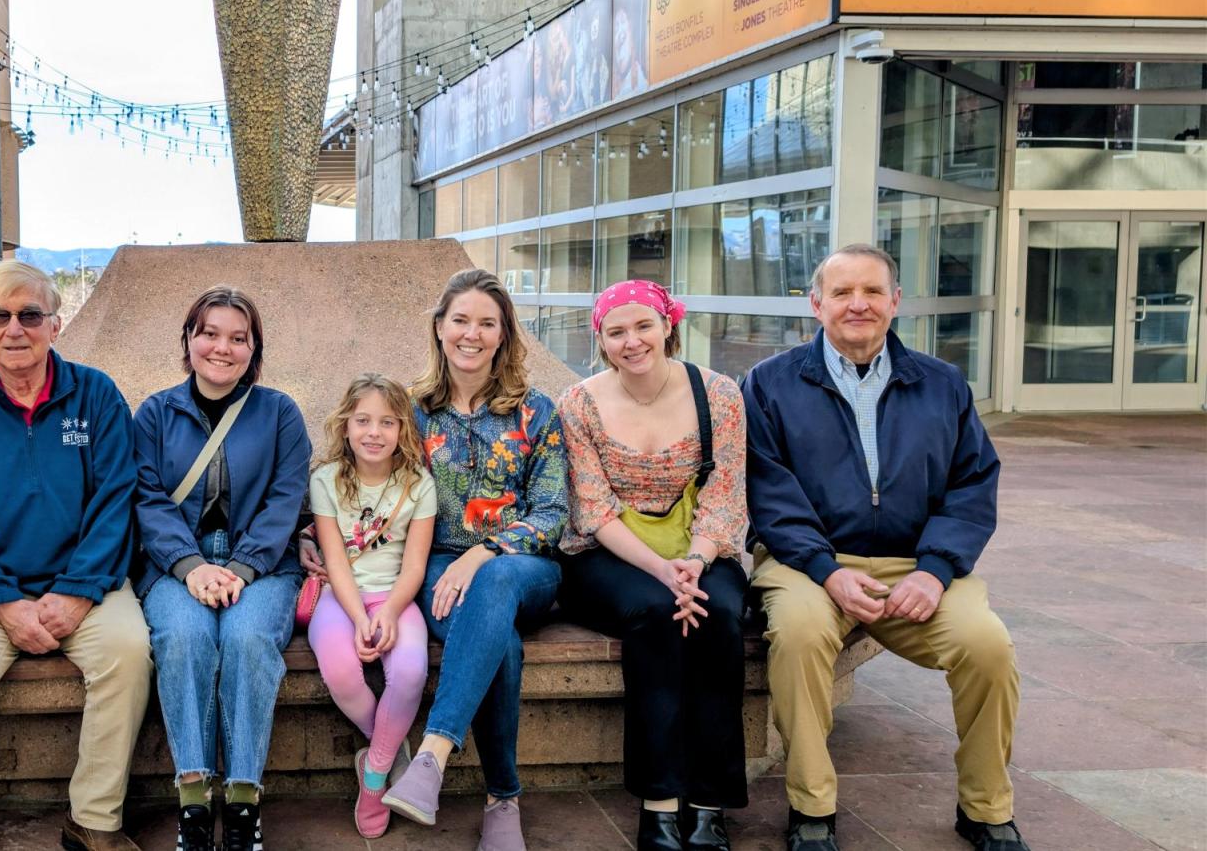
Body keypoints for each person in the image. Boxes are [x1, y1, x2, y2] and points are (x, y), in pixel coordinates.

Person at [743, 244, 1026, 851]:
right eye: (842, 292)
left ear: (896, 302)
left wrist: (935, 570)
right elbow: (768, 490)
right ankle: (812, 809)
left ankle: (985, 809)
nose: (858, 304)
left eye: (872, 291)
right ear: (816, 305)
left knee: (988, 645)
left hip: (915, 562)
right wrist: (825, 570)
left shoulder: (943, 383)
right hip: (806, 562)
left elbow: (974, 483)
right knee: (797, 633)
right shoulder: (768, 384)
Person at [305, 268, 569, 851]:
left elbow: (553, 512)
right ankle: (503, 799)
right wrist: (316, 537)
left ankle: (432, 752)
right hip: (433, 571)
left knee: (495, 582)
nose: (471, 334)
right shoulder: (413, 411)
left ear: (504, 335)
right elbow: (361, 478)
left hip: (522, 565)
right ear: (439, 328)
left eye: (487, 323)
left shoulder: (535, 412)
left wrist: (481, 553)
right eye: (460, 320)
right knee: (497, 639)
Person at [0, 260, 149, 851]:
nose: (14, 328)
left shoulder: (95, 395)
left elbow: (114, 500)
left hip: (87, 587)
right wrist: (4, 603)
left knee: (128, 653)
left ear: (56, 323)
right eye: (0, 315)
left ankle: (94, 822)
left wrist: (75, 592)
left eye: (30, 315)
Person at [556, 280, 748, 851]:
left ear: (668, 325)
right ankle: (659, 802)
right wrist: (664, 574)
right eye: (616, 332)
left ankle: (709, 805)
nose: (632, 341)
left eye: (643, 326)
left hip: (702, 545)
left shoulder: (719, 394)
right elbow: (592, 509)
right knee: (655, 611)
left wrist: (692, 561)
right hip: (608, 553)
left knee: (718, 614)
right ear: (601, 340)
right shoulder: (579, 403)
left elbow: (726, 493)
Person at [134, 286, 310, 851]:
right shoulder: (156, 413)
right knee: (183, 638)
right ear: (188, 340)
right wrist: (189, 566)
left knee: (248, 637)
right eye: (209, 333)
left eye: (238, 338)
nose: (222, 348)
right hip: (173, 561)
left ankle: (241, 803)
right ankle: (192, 803)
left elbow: (286, 499)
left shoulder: (279, 412)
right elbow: (148, 497)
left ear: (253, 350)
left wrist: (240, 567)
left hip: (261, 563)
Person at [308, 374, 436, 839]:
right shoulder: (325, 480)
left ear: (403, 429)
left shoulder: (418, 483)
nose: (374, 432)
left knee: (410, 672)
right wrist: (360, 618)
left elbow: (415, 564)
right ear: (345, 426)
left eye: (387, 422)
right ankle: (391, 747)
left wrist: (388, 611)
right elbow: (336, 562)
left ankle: (375, 776)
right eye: (363, 420)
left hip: (396, 597)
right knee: (342, 670)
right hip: (340, 598)